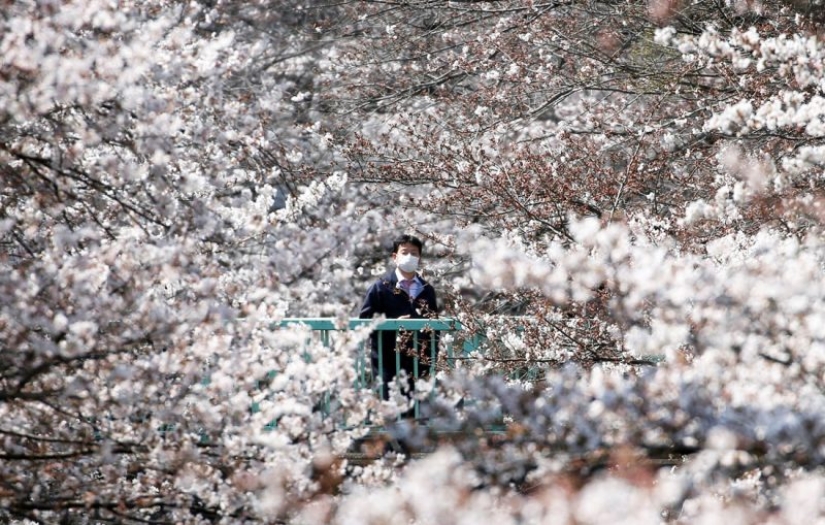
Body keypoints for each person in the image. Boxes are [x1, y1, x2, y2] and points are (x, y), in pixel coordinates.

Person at [359, 234, 439, 402]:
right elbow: (364, 322)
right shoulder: (381, 287)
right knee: (390, 409)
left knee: (418, 412)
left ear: (419, 257)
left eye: (414, 253)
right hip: (387, 362)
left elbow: (434, 327)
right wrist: (392, 325)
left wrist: (432, 358)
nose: (410, 256)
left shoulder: (427, 289)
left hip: (419, 363)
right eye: (405, 252)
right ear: (395, 257)